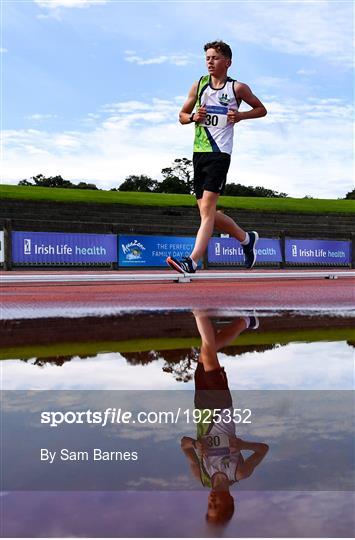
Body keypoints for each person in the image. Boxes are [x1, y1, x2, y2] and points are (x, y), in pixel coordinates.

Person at [166, 40, 267, 274]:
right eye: (208, 58)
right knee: (206, 212)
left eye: (215, 58)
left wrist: (241, 116)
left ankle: (192, 261)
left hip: (220, 153)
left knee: (208, 209)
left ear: (228, 62)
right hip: (199, 152)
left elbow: (261, 109)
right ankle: (246, 239)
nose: (210, 62)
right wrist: (193, 117)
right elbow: (181, 115)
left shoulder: (237, 88)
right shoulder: (199, 85)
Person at [181, 311, 269, 525]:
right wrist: (241, 444)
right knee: (208, 353)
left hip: (201, 408)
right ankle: (198, 310)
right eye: (216, 506)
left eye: (208, 507)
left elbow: (184, 444)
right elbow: (263, 449)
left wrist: (195, 444)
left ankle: (245, 321)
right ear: (229, 500)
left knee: (205, 355)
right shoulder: (240, 472)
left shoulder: (201, 476)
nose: (211, 501)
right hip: (221, 408)